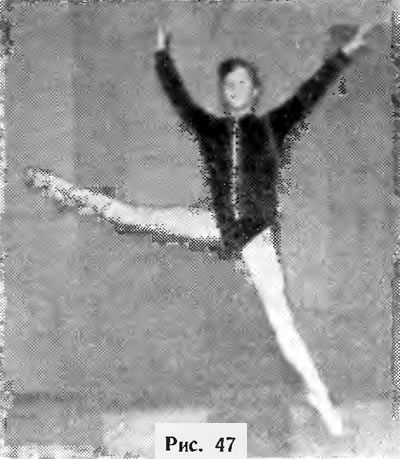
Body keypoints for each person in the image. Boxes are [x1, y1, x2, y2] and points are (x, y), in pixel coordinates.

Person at [102, 22, 372, 436]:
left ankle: (329, 415)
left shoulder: (272, 126)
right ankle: (85, 200)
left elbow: (310, 92)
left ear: (255, 91)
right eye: (229, 83)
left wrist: (344, 54)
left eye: (243, 81)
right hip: (219, 224)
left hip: (256, 236)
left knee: (282, 326)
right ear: (223, 91)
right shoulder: (211, 129)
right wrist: (161, 56)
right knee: (148, 218)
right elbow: (180, 99)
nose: (235, 88)